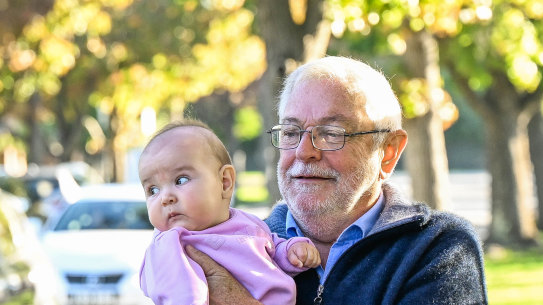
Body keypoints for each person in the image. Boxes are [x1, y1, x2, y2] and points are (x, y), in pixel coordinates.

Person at [185, 56, 488, 305]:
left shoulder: (437, 247)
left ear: (388, 152)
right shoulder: (240, 246)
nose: (305, 151)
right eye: (291, 133)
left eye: (331, 134)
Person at [138, 119, 321, 305]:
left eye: (181, 180)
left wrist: (292, 252)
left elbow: (271, 248)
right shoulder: (171, 243)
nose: (165, 197)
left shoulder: (247, 222)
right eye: (152, 190)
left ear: (225, 182)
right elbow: (178, 293)